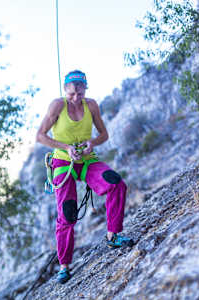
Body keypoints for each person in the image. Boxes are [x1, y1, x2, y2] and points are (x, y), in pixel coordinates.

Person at [36, 70, 133, 284]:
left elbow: (104, 134)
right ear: (65, 90)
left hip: (88, 160)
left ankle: (113, 236)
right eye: (71, 94)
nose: (75, 98)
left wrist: (92, 143)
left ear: (85, 89)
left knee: (116, 184)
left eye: (80, 93)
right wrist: (65, 147)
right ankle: (64, 266)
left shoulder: (91, 105)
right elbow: (40, 136)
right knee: (67, 213)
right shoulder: (57, 106)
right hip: (63, 163)